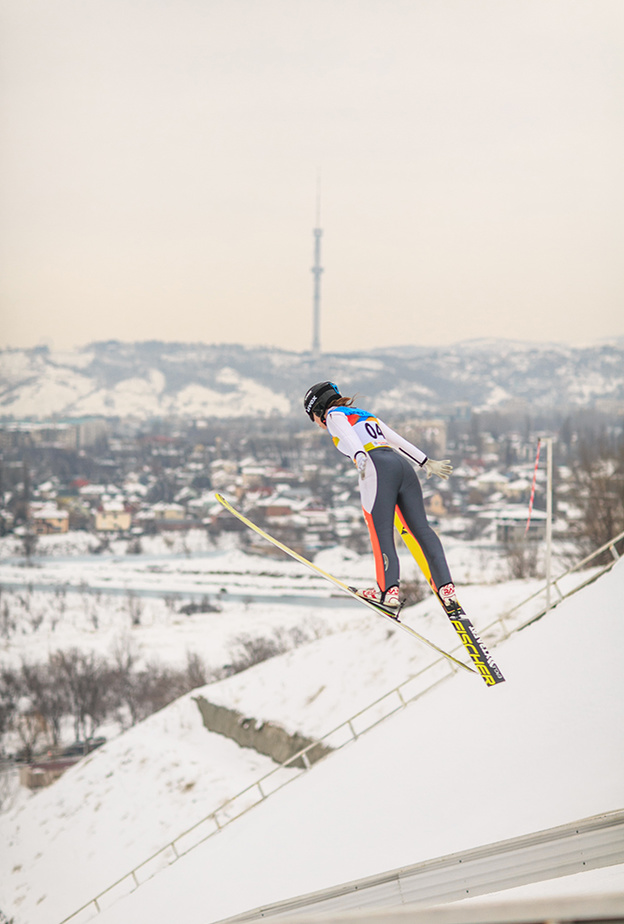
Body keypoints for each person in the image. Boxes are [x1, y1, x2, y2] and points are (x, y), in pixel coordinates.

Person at [303, 381, 457, 610]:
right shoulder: (363, 414)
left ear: (318, 408)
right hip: (401, 466)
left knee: (380, 532)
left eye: (312, 417)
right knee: (421, 530)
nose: (317, 423)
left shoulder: (333, 415)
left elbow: (348, 436)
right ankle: (446, 587)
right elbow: (396, 440)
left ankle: (387, 591)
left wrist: (359, 456)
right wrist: (424, 461)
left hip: (375, 466)